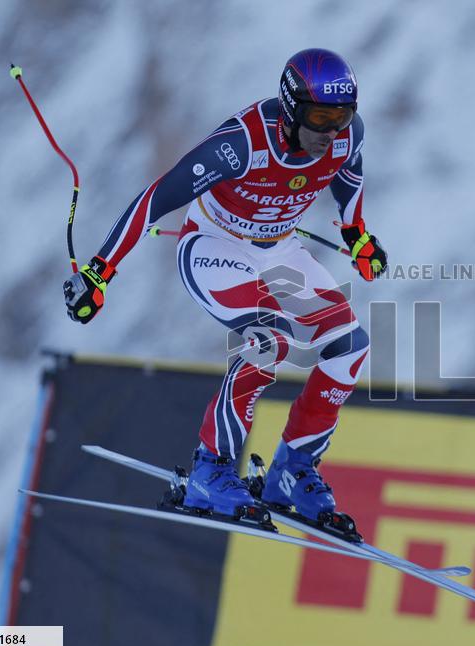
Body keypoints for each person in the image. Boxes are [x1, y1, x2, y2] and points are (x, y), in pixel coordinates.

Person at [62, 48, 387, 525]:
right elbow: (157, 198)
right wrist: (99, 272)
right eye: (320, 117)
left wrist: (355, 233)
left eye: (342, 116)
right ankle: (210, 469)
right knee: (269, 341)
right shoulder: (241, 144)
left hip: (280, 250)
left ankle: (292, 470)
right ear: (292, 106)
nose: (331, 131)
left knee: (349, 348)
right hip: (216, 246)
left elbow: (348, 171)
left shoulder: (344, 137)